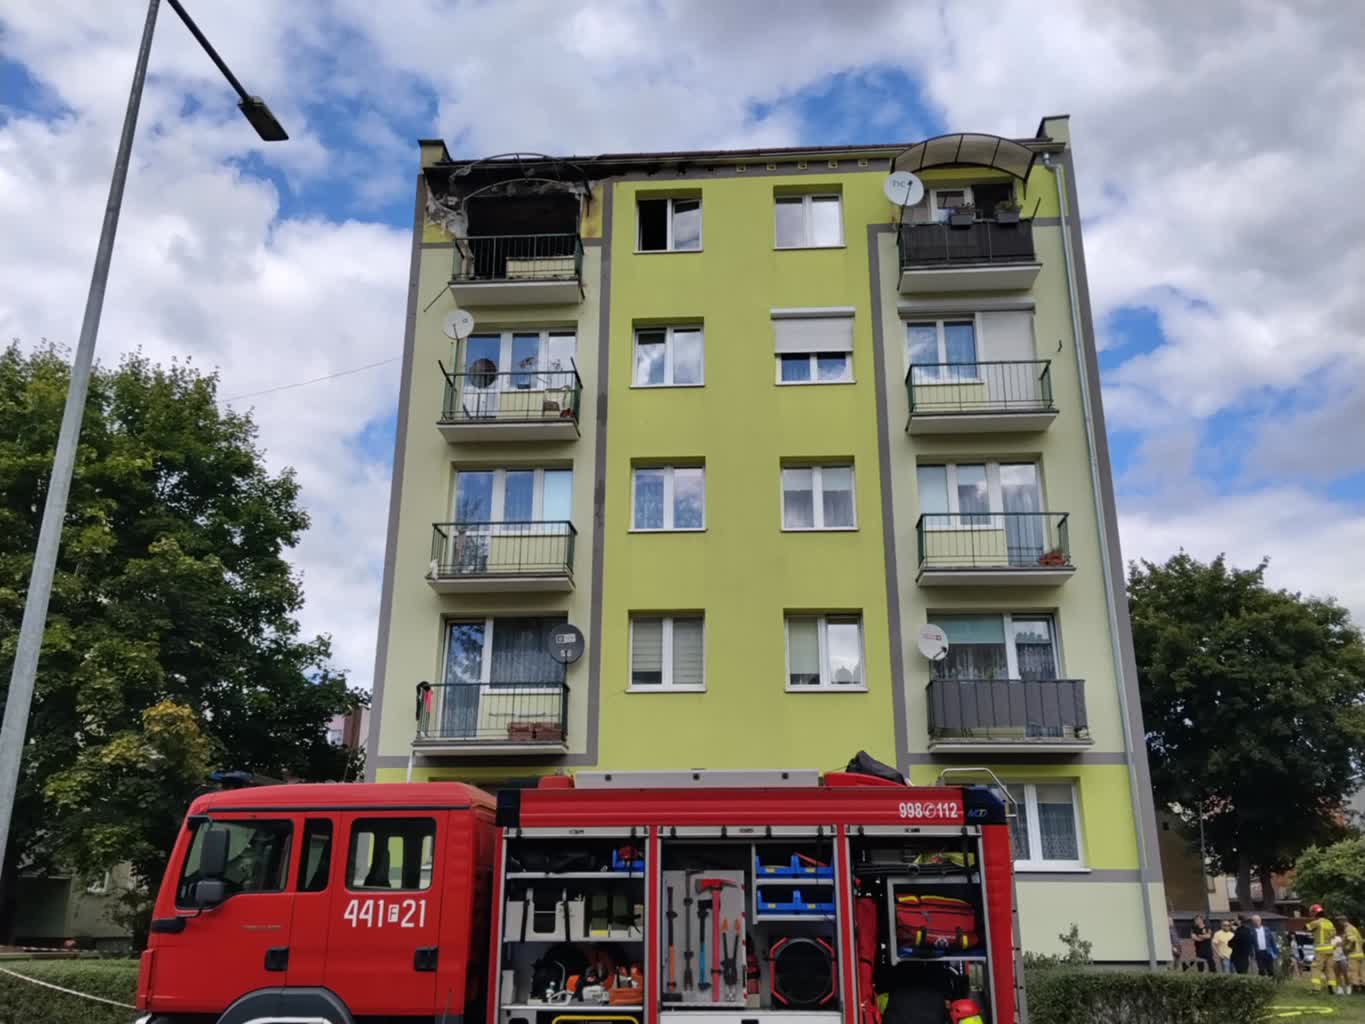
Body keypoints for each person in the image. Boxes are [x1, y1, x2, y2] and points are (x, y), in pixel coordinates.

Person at [1307, 904, 1337, 993]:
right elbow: (1333, 935)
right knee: (1329, 969)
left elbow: (1306, 927)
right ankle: (1332, 989)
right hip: (1330, 950)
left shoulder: (1317, 922)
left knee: (1315, 968)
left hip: (1320, 950)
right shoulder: (1329, 923)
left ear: (1315, 913)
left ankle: (1316, 988)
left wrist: (1312, 930)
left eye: (1311, 913)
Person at [1342, 915, 1363, 994]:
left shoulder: (1348, 928)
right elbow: (1360, 941)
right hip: (1360, 954)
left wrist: (1348, 948)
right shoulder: (1355, 929)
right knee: (1362, 972)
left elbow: (1352, 940)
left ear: (1343, 921)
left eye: (1339, 921)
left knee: (1353, 972)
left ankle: (1355, 988)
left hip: (1353, 955)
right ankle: (1363, 988)